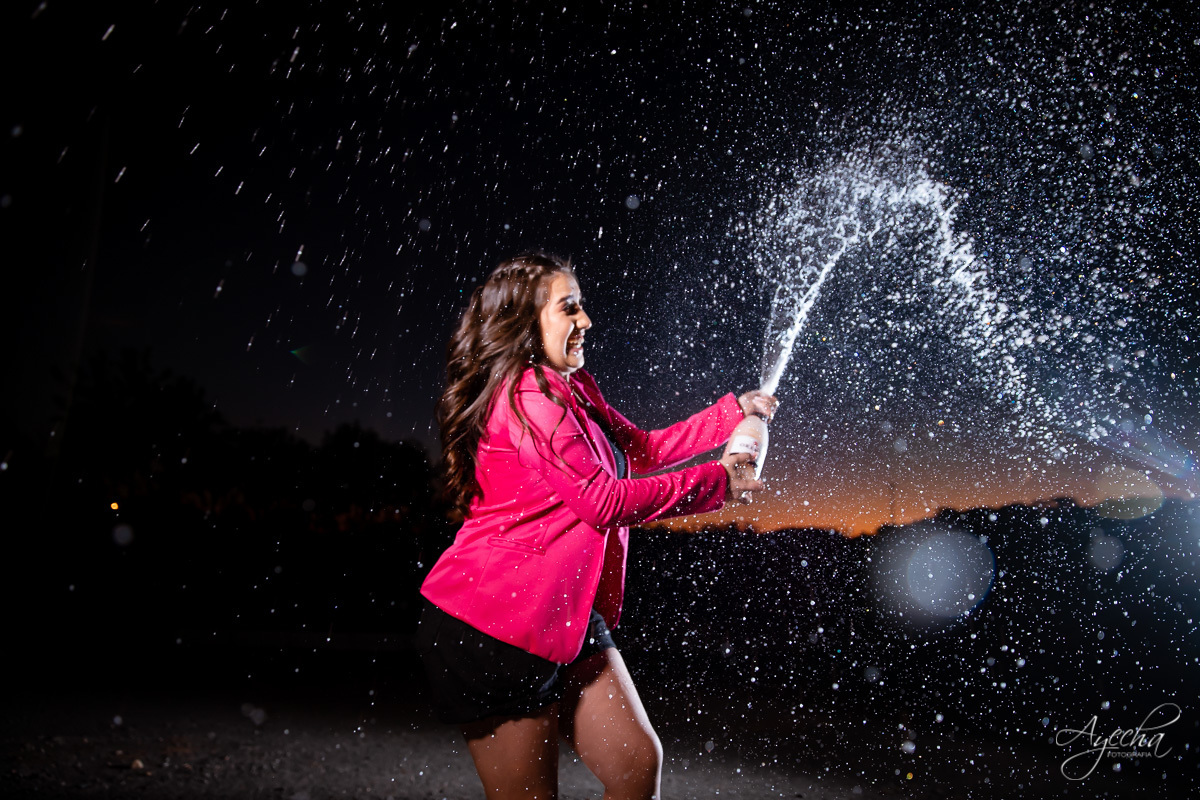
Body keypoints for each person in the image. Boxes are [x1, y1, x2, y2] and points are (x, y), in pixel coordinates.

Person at [417, 252, 777, 800]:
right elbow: (601, 501)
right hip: (494, 625)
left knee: (635, 767)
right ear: (524, 323)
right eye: (569, 309)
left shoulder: (571, 387)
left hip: (560, 613)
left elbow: (643, 449)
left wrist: (732, 413)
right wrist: (717, 482)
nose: (585, 321)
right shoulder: (527, 396)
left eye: (580, 306)